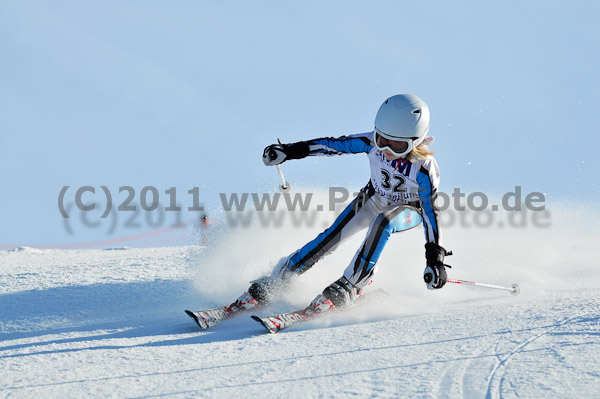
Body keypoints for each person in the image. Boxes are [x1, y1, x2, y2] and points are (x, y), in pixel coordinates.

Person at [237, 94, 451, 314]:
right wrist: (290, 151)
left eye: (397, 145)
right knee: (331, 237)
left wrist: (435, 258)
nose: (386, 148)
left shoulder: (424, 168)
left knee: (383, 223)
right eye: (381, 140)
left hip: (410, 208)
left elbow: (430, 210)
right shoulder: (370, 143)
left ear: (416, 141)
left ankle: (352, 284)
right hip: (374, 197)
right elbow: (333, 145)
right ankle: (280, 278)